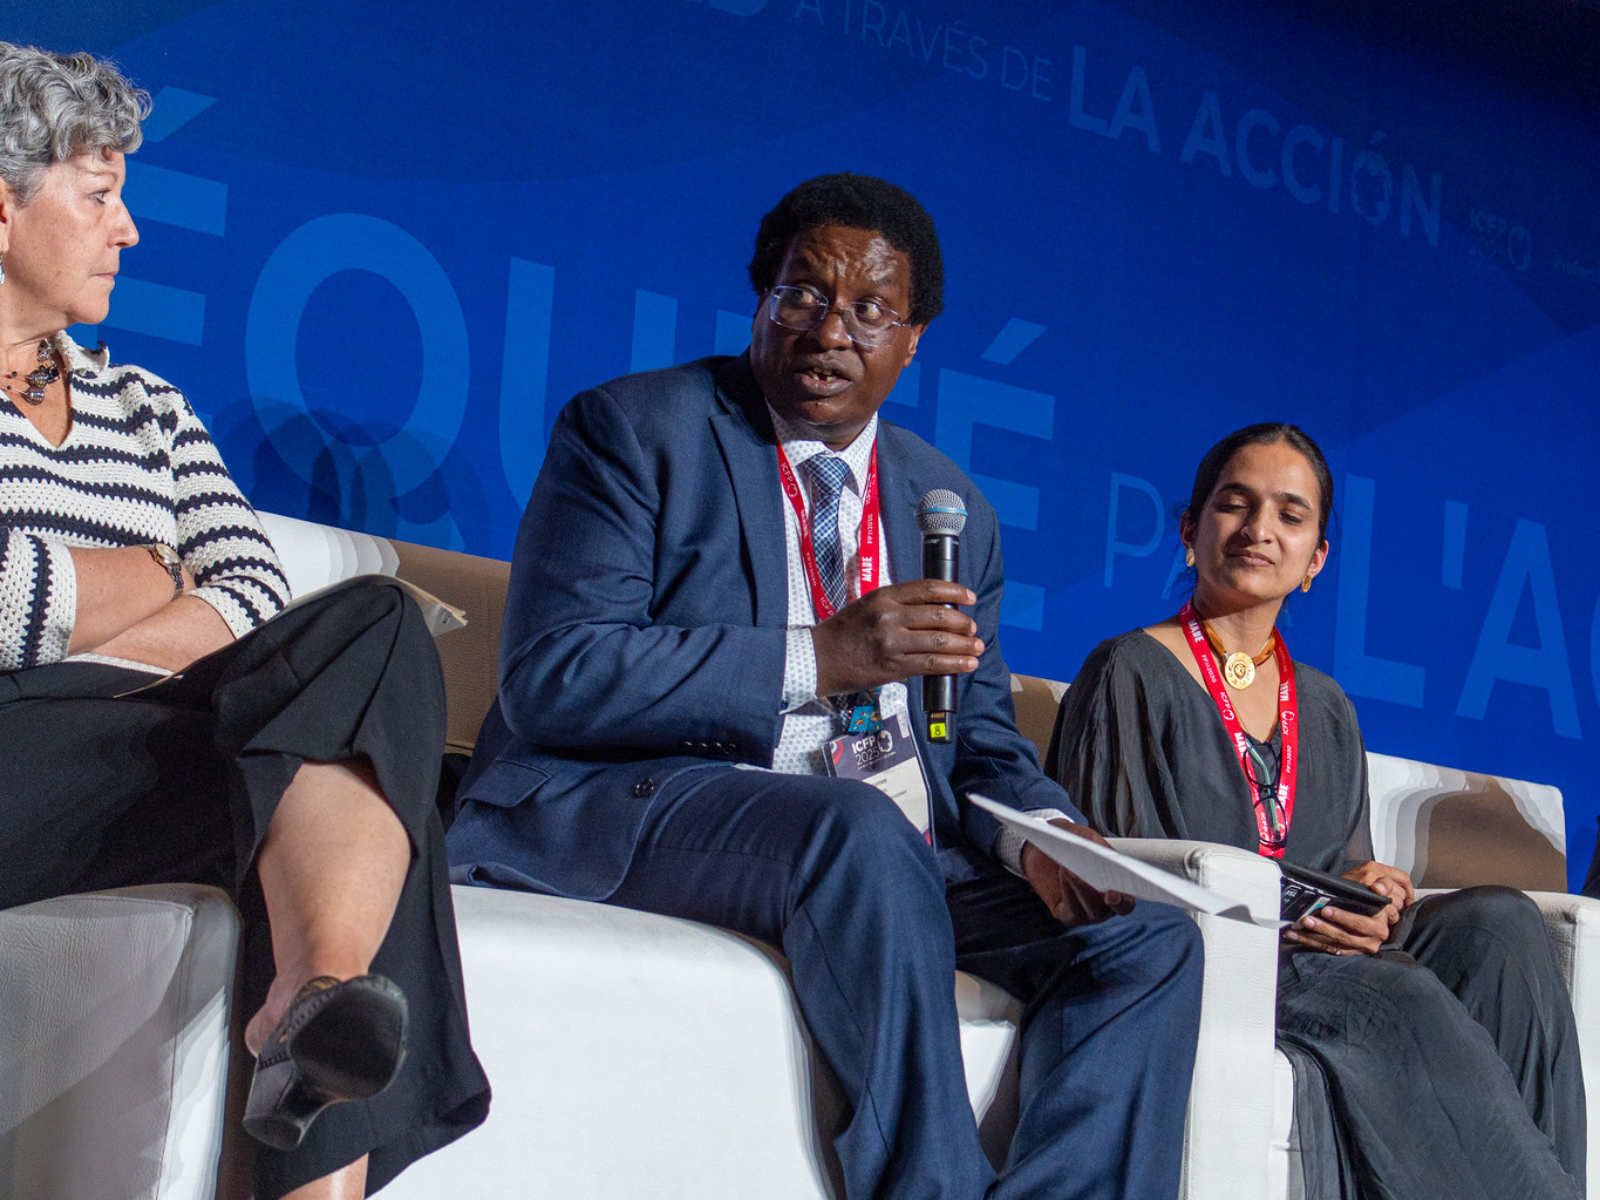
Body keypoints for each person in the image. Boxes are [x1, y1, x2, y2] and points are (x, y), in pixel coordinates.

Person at [449, 172, 1203, 1200]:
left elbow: (979, 739)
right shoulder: (636, 430)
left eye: (870, 310)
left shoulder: (952, 508)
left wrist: (1041, 839)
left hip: (885, 851)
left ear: (914, 339)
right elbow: (557, 675)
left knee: (1148, 943)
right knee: (858, 830)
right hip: (653, 804)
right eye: (802, 294)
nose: (830, 331)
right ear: (761, 297)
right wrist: (823, 657)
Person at [0, 43, 488, 1199]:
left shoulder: (147, 407)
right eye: (99, 196)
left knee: (373, 633)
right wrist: (155, 582)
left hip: (136, 751)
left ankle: (315, 1002)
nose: (129, 231)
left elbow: (256, 595)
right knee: (324, 764)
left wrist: (104, 618)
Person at [1045, 422, 1584, 1200]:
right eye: (1235, 505)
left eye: (1290, 515)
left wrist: (1372, 890)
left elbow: (1338, 862)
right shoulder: (1129, 670)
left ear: (1316, 560)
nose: (1259, 529)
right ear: (1191, 530)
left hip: (1318, 948)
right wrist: (1289, 912)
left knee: (1501, 925)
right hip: (1223, 954)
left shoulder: (1325, 704)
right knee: (1394, 994)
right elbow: (1119, 881)